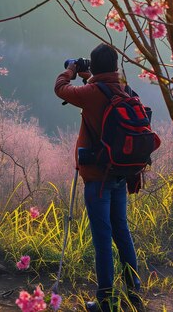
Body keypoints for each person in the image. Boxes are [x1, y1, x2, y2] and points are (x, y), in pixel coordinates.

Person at [54, 43, 143, 312]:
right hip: (121, 174)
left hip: (97, 179)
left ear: (93, 66)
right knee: (122, 231)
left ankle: (105, 299)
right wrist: (89, 75)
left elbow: (60, 90)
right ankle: (134, 293)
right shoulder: (126, 89)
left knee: (102, 238)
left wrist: (69, 70)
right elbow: (103, 91)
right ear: (115, 66)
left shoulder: (91, 92)